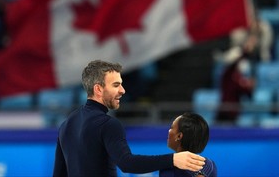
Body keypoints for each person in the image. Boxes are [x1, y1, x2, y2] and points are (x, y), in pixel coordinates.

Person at [53, 60, 205, 176]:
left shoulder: (67, 124)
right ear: (98, 89)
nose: (123, 90)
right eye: (116, 85)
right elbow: (127, 163)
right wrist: (173, 159)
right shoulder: (108, 124)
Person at [160, 112, 217, 177]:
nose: (169, 131)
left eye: (172, 127)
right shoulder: (210, 165)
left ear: (179, 136)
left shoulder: (168, 167)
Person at [216, 34, 257, 123]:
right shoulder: (227, 73)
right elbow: (234, 63)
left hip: (234, 114)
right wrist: (246, 51)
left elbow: (248, 95)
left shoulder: (240, 78)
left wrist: (251, 87)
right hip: (224, 112)